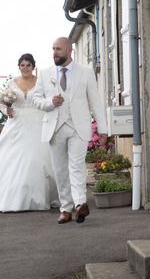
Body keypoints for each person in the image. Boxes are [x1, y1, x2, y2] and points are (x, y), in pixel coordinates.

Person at [0, 53, 58, 211]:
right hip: (16, 122)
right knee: (9, 159)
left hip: (37, 122)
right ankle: (12, 197)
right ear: (19, 67)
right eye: (22, 65)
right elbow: (2, 103)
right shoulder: (12, 83)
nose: (25, 68)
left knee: (37, 159)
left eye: (28, 65)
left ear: (33, 67)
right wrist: (6, 110)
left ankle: (38, 198)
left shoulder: (41, 81)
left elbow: (48, 99)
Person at [33, 37, 108, 224]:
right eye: (53, 49)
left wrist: (103, 129)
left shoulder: (86, 72)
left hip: (78, 127)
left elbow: (96, 102)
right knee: (60, 170)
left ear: (69, 50)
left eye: (58, 49)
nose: (54, 53)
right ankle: (65, 208)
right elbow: (35, 99)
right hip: (55, 127)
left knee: (77, 166)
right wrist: (50, 102)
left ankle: (80, 205)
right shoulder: (45, 73)